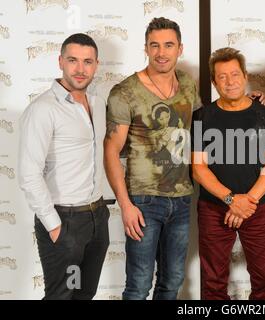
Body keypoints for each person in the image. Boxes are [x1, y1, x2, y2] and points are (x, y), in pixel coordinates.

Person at [104, 17, 199, 300]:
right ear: (145, 48)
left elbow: (209, 120)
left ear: (180, 48)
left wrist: (252, 100)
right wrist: (125, 205)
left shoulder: (187, 83)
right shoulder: (125, 92)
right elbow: (111, 150)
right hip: (143, 200)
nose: (161, 52)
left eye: (168, 45)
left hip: (182, 199)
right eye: (154, 45)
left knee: (172, 282)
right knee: (139, 285)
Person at [18, 33, 110, 300]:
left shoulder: (98, 104)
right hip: (65, 221)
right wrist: (55, 227)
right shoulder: (43, 109)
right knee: (62, 296)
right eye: (73, 60)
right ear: (60, 61)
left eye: (88, 62)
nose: (80, 69)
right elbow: (28, 174)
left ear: (96, 65)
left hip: (96, 218)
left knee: (84, 294)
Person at [191, 47, 265, 300]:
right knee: (213, 282)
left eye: (234, 74)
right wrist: (232, 200)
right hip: (214, 208)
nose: (229, 82)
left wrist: (248, 202)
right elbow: (199, 168)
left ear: (244, 76)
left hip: (259, 208)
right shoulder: (201, 117)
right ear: (213, 81)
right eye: (222, 76)